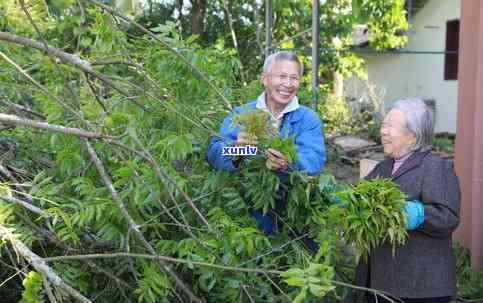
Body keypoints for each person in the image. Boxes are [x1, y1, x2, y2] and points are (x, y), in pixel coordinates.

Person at [205, 50, 326, 235]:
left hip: (294, 212)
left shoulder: (308, 119)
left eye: (294, 78)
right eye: (281, 76)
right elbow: (214, 152)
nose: (287, 84)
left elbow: (314, 158)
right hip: (245, 210)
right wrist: (238, 152)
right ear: (265, 79)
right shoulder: (242, 114)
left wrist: (288, 163)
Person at [354, 98, 460, 303]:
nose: (383, 131)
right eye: (383, 125)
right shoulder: (383, 168)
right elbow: (358, 197)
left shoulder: (435, 167)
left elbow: (448, 218)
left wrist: (419, 215)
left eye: (390, 126)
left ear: (412, 136)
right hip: (381, 282)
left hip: (421, 287)